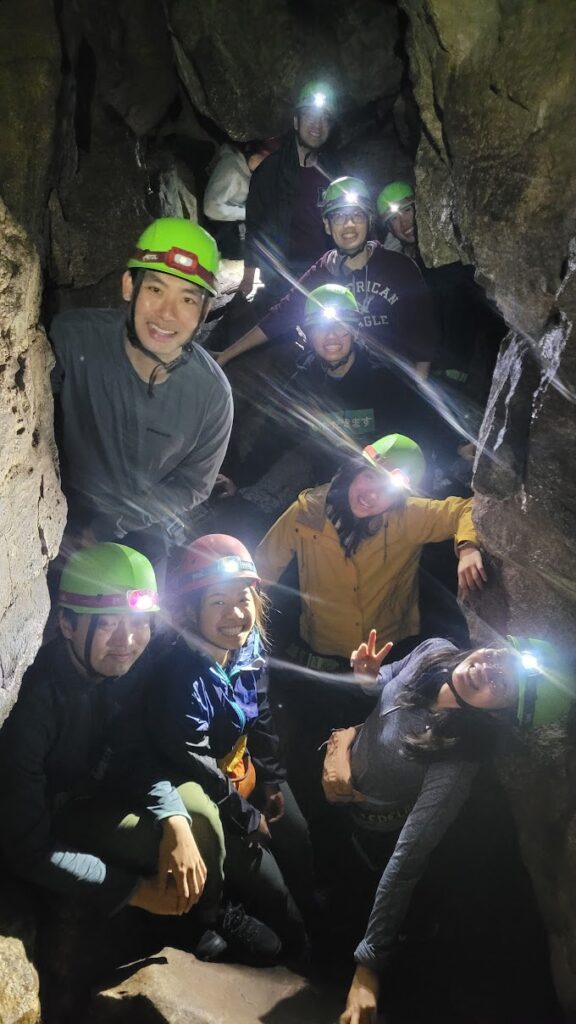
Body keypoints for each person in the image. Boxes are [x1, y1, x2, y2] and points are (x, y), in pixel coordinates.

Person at [0, 542, 279, 963]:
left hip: (111, 785)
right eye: (109, 624)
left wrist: (174, 820)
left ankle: (206, 910)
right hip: (61, 813)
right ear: (67, 624)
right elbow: (25, 845)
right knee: (174, 835)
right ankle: (178, 920)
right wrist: (134, 891)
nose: (127, 641)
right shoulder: (36, 707)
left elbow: (135, 751)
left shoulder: (133, 669)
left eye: (139, 623)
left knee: (196, 818)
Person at [337, 632, 573, 1023]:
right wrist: (368, 678)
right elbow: (387, 681)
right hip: (341, 775)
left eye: (501, 684)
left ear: (498, 714)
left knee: (351, 891)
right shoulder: (436, 651)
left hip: (372, 828)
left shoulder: (455, 762)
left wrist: (368, 967)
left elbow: (407, 859)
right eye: (500, 656)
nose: (488, 668)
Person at [116, 533, 315, 955]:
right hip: (202, 782)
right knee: (271, 886)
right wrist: (245, 815)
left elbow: (259, 713)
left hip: (240, 770)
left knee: (299, 839)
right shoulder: (182, 676)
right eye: (218, 602)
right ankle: (294, 945)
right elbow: (195, 761)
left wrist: (274, 782)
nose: (235, 614)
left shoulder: (248, 646)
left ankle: (318, 922)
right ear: (193, 610)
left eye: (243, 599)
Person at [51, 218, 233, 580]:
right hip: (61, 509)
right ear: (128, 286)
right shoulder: (71, 341)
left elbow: (192, 485)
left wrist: (108, 527)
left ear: (205, 312)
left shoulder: (212, 396)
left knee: (137, 626)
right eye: (155, 290)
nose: (167, 313)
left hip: (141, 523)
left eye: (187, 299)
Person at [255, 433, 486, 672]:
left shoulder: (406, 516)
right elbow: (264, 567)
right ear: (355, 470)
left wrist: (467, 547)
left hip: (387, 646)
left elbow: (464, 509)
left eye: (388, 490)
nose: (372, 495)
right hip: (323, 642)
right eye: (370, 476)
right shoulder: (309, 512)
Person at [223, 285, 435, 511]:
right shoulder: (304, 381)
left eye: (341, 326)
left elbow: (421, 426)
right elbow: (274, 435)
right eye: (320, 328)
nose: (331, 335)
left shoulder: (386, 378)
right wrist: (238, 478)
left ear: (354, 330)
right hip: (331, 482)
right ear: (307, 334)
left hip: (382, 489)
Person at [217, 175, 438, 376]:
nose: (348, 224)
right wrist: (227, 354)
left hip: (392, 382)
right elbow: (281, 317)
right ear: (326, 225)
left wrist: (419, 396)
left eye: (357, 215)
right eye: (339, 216)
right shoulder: (322, 273)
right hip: (341, 381)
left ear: (369, 221)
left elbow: (423, 339)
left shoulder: (399, 268)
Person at [237, 80, 341, 305]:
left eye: (325, 119)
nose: (318, 124)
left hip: (325, 273)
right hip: (282, 279)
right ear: (296, 122)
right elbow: (255, 223)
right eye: (311, 116)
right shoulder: (270, 171)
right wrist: (249, 272)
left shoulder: (335, 170)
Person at [203, 140, 275, 260]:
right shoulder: (231, 168)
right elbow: (210, 208)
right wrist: (248, 213)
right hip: (221, 226)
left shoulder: (256, 173)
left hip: (238, 218)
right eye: (264, 157)